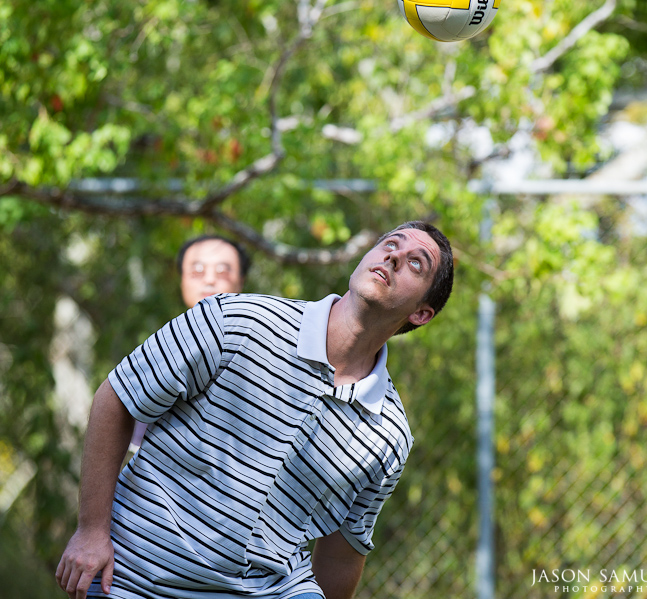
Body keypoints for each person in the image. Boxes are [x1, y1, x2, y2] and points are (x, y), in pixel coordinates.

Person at [56, 220, 454, 599]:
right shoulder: (238, 320)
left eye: (416, 263)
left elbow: (342, 551)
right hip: (136, 576)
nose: (394, 257)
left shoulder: (389, 433)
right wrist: (92, 531)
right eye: (389, 244)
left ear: (421, 313)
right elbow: (118, 398)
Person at [129, 234, 252, 450]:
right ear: (182, 280)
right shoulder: (160, 350)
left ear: (241, 281)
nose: (209, 280)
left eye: (222, 271)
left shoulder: (260, 350)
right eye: (197, 272)